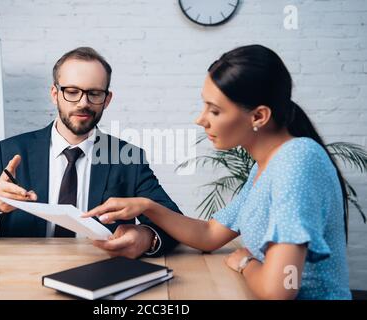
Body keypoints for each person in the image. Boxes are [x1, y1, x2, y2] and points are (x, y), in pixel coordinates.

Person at [83, 45, 352, 299]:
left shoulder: (296, 162)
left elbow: (279, 289)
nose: (201, 119)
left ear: (258, 116)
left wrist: (245, 262)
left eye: (214, 110)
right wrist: (147, 206)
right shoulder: (266, 165)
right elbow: (209, 235)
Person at [0, 47, 183, 258]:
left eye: (94, 93)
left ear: (107, 99)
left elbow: (175, 223)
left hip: (99, 273)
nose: (83, 103)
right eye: (72, 91)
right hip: (22, 276)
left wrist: (146, 237)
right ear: (54, 93)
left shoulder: (128, 157)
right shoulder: (11, 151)